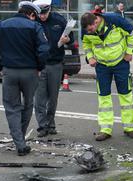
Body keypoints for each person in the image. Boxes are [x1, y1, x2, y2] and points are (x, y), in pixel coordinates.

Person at [0, 1, 49, 156]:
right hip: (30, 73)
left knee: (12, 108)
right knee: (28, 105)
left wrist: (0, 67)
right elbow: (44, 50)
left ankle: (19, 142)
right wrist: (39, 67)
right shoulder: (35, 27)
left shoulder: (1, 25)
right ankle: (20, 141)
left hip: (9, 72)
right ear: (32, 14)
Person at [81, 12, 133, 141]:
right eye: (87, 30)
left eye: (91, 29)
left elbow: (132, 33)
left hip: (121, 63)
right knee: (104, 98)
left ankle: (130, 128)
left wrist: (129, 52)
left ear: (96, 22)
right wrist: (90, 57)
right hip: (102, 66)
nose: (89, 32)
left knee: (125, 96)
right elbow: (86, 44)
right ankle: (105, 129)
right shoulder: (86, 28)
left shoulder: (114, 20)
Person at [33, 0, 74, 137]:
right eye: (40, 14)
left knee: (53, 98)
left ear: (49, 9)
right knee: (39, 99)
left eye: (45, 13)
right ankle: (42, 126)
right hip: (39, 65)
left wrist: (66, 40)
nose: (42, 16)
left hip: (56, 63)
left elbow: (71, 39)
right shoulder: (33, 22)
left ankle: (50, 125)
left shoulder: (59, 20)